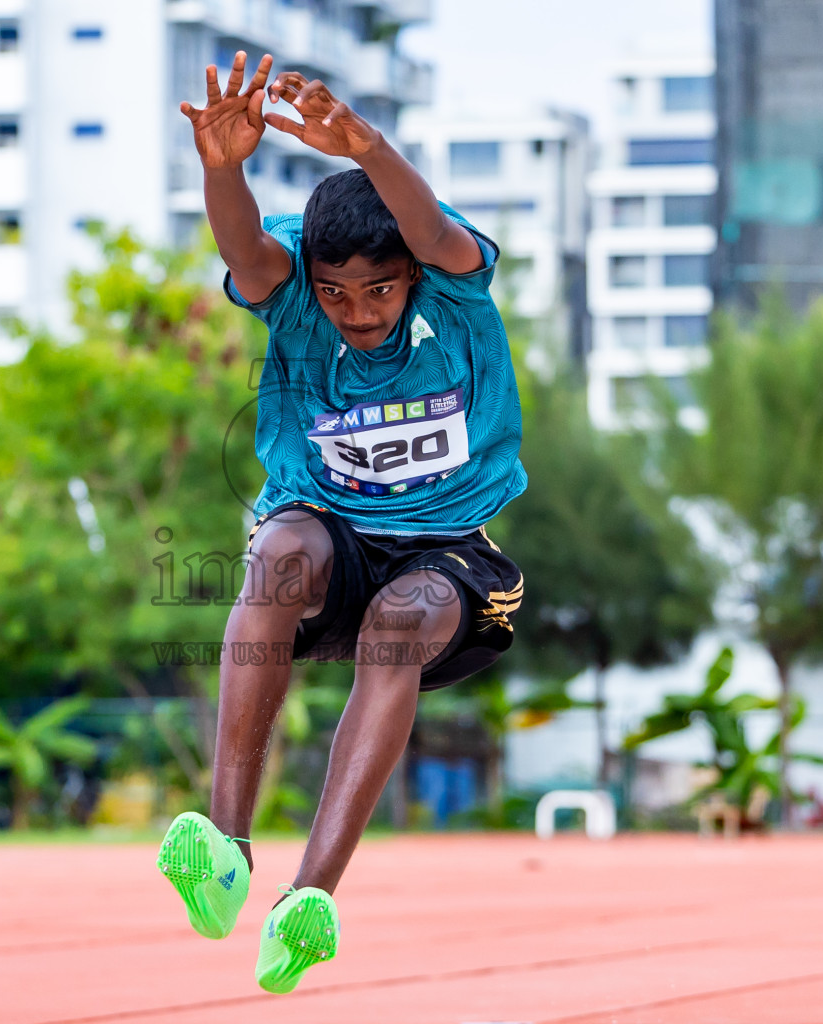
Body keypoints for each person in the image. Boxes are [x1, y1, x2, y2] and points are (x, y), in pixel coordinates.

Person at [156, 53, 526, 994]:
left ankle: (308, 900)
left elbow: (432, 231)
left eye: (378, 290)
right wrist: (220, 168)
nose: (357, 312)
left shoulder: (452, 284)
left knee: (398, 627)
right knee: (277, 549)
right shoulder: (296, 287)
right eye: (335, 293)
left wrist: (363, 142)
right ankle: (226, 845)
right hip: (331, 535)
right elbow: (249, 257)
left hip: (452, 558)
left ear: (407, 278)